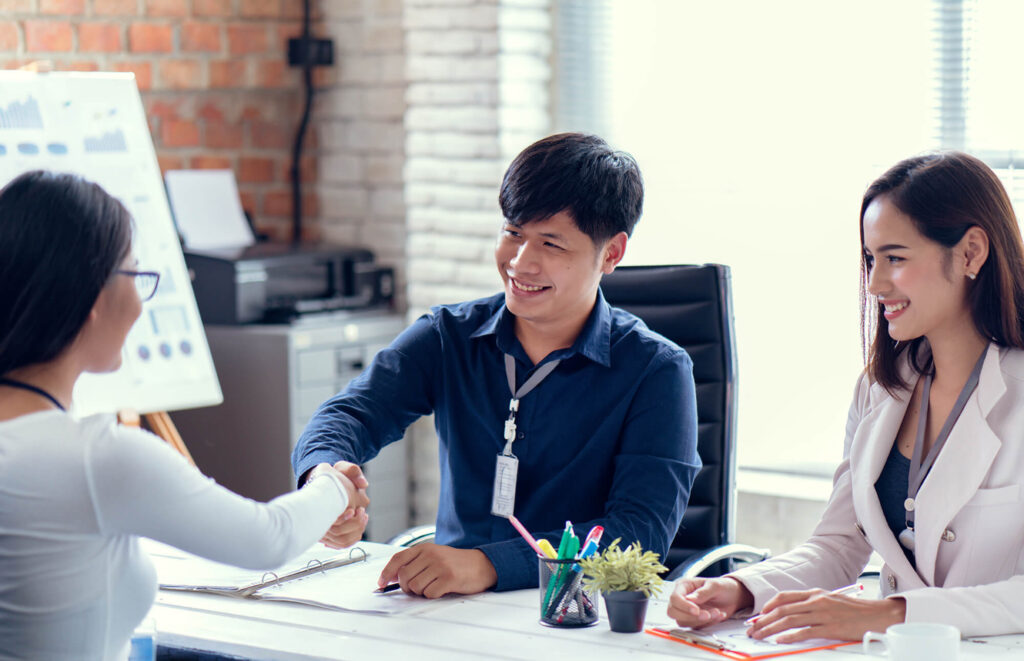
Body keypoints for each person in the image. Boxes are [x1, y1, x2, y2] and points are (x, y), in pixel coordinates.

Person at [293, 132, 701, 597]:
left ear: (611, 253)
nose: (520, 263)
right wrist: (324, 483)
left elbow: (639, 531)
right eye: (513, 233)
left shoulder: (657, 370)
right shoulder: (449, 336)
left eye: (551, 244)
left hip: (577, 614)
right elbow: (348, 415)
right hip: (445, 607)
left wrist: (490, 565)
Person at [0, 170, 370, 660]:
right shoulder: (97, 458)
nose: (139, 301)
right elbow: (268, 538)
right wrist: (335, 486)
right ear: (92, 297)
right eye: (134, 274)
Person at [668, 151, 1024, 641]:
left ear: (970, 253)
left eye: (895, 258)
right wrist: (740, 588)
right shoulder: (881, 386)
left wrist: (890, 613)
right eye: (870, 259)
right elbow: (839, 545)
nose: (875, 284)